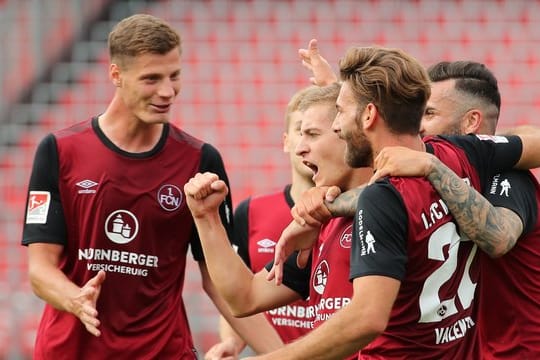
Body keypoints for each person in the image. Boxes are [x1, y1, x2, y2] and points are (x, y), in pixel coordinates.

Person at [21, 14, 281, 359]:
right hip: (71, 350)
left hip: (161, 351)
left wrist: (286, 356)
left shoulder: (200, 162)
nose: (167, 91)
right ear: (116, 75)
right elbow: (40, 269)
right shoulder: (59, 151)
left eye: (175, 76)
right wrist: (74, 298)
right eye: (151, 79)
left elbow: (221, 282)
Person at [255, 46, 538, 359]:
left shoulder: (489, 172)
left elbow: (367, 318)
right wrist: (322, 209)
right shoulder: (456, 156)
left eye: (429, 113)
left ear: (472, 122)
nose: (421, 123)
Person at [184, 83, 372, 360]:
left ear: (348, 134)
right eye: (298, 134)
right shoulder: (323, 223)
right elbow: (244, 296)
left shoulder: (390, 206)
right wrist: (206, 218)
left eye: (312, 134)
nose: (300, 148)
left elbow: (365, 321)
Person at [205, 86, 316, 359]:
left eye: (315, 133)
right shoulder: (252, 211)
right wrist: (232, 342)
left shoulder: (352, 213)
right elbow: (238, 292)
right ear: (286, 140)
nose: (306, 143)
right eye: (300, 130)